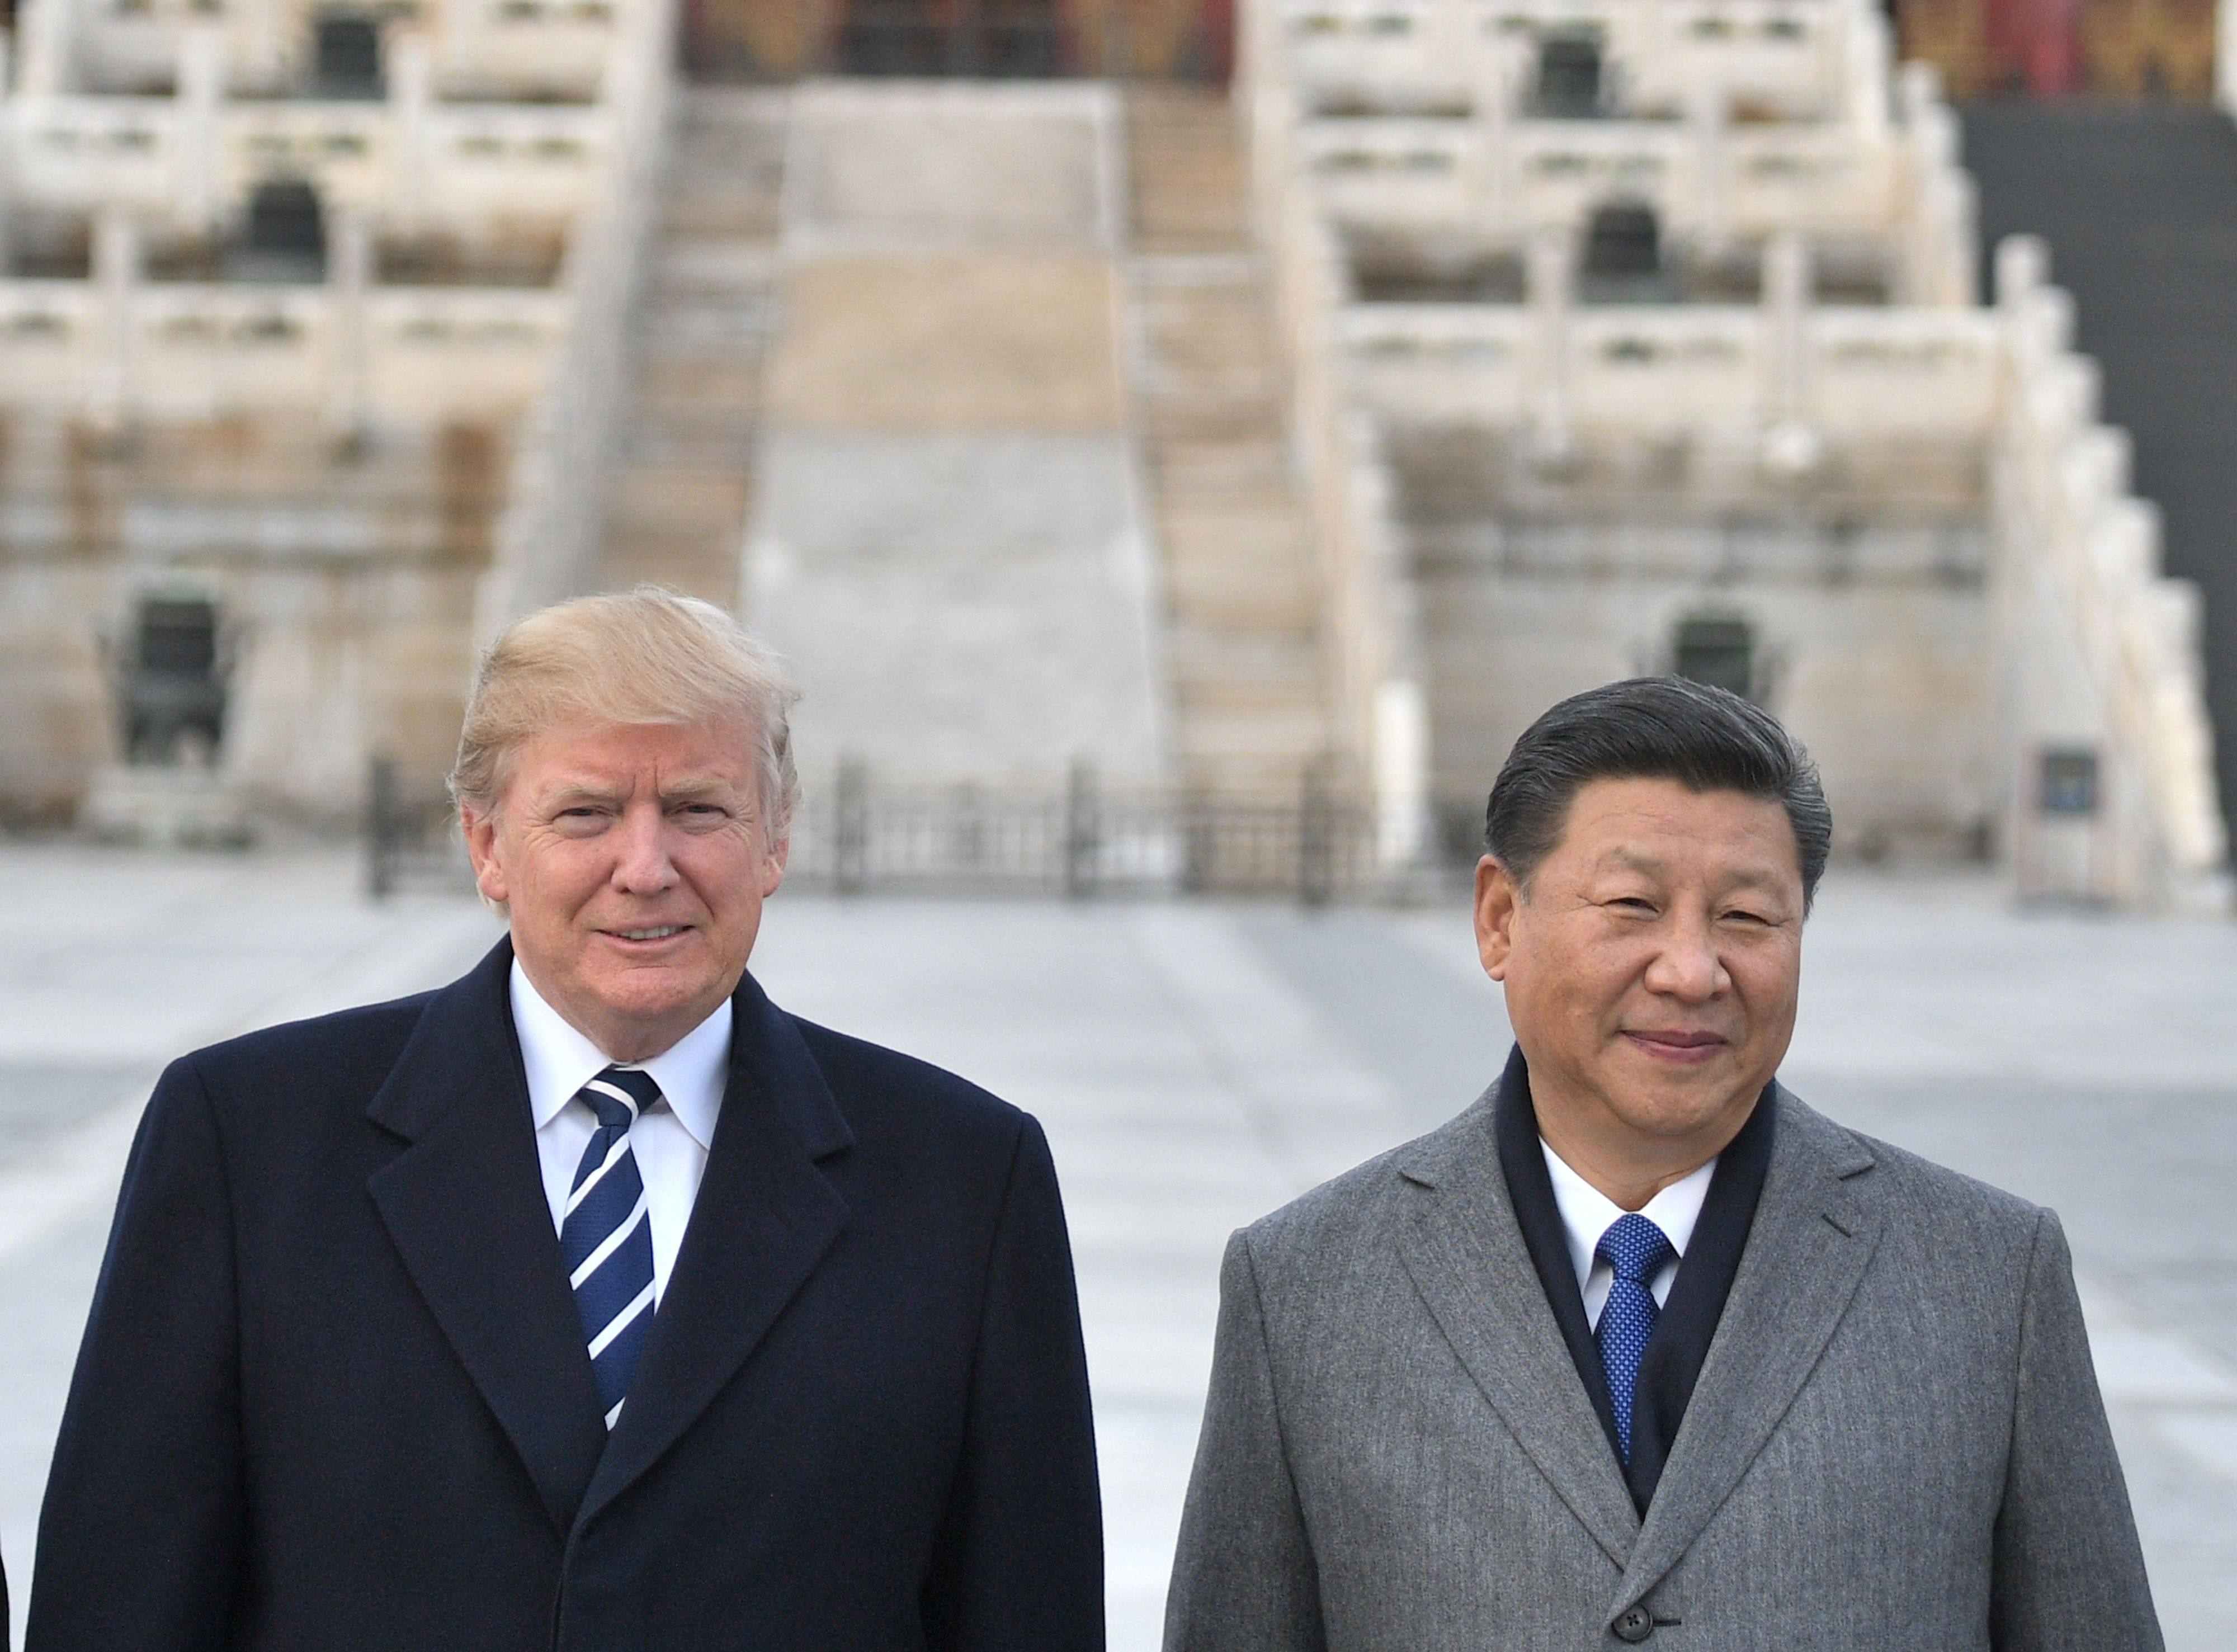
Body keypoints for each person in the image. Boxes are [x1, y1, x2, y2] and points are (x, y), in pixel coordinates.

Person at [30, 589, 1104, 1650]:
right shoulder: (246, 1142)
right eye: (586, 813)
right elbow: (119, 1603)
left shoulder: (969, 1180)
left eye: (698, 809)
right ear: (486, 845)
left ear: (774, 838)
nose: (646, 867)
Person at [1164, 677, 2160, 1650]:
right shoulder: (1307, 1286)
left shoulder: (1988, 1278)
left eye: (1747, 917)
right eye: (1634, 902)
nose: (1691, 970)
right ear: (1500, 919)